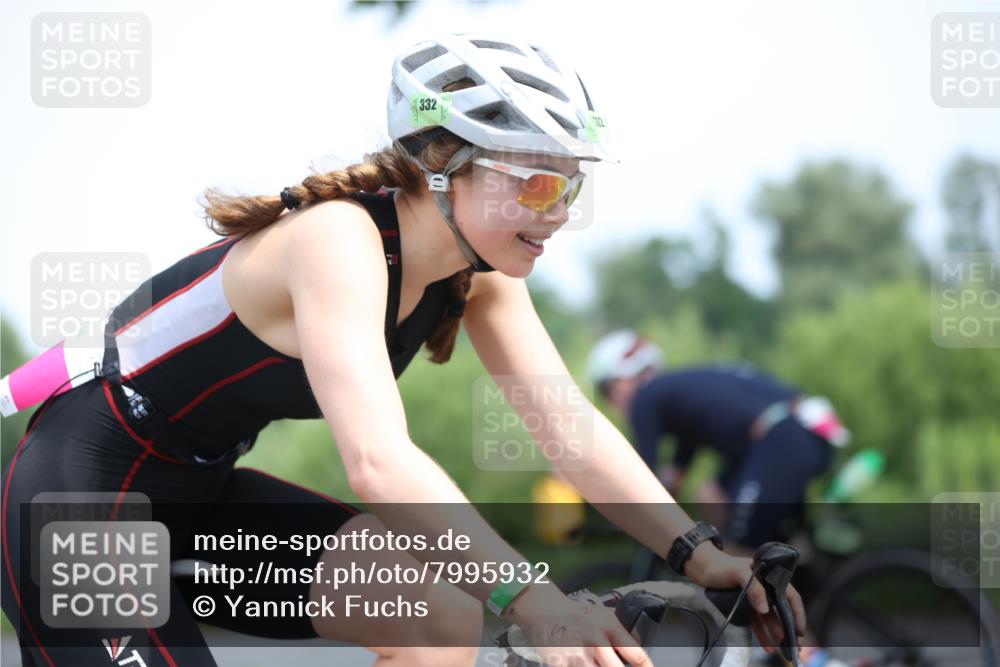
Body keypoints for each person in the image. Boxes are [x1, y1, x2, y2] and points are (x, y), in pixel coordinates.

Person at [2, 34, 805, 667]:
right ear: (442, 166)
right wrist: (534, 597)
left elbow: (572, 433)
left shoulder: (477, 275)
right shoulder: (337, 240)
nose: (558, 212)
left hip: (202, 496)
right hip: (83, 499)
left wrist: (699, 552)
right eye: (534, 184)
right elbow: (379, 463)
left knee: (448, 623)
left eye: (571, 187)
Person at [586, 330, 850, 553]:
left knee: (741, 550)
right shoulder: (677, 397)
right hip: (796, 435)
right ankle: (799, 582)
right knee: (711, 495)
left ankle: (758, 593)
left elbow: (641, 472)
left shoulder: (647, 397)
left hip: (784, 439)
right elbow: (674, 475)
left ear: (623, 379)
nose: (612, 401)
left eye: (607, 390)